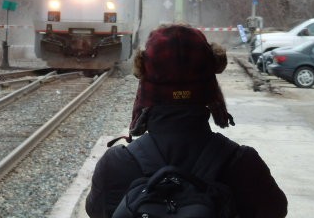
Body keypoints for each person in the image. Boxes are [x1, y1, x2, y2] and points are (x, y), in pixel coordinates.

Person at [85, 24, 288, 218]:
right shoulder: (243, 165)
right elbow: (275, 210)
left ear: (145, 86)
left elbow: (97, 211)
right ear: (210, 87)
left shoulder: (115, 165)